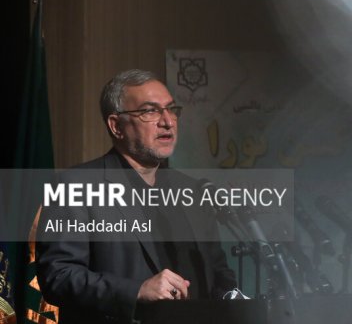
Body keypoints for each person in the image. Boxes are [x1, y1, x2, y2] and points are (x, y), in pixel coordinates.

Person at [36, 69, 237, 324]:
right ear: (116, 126)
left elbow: (219, 273)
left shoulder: (194, 191)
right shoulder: (75, 185)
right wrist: (135, 292)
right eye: (150, 111)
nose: (168, 121)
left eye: (171, 109)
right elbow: (58, 276)